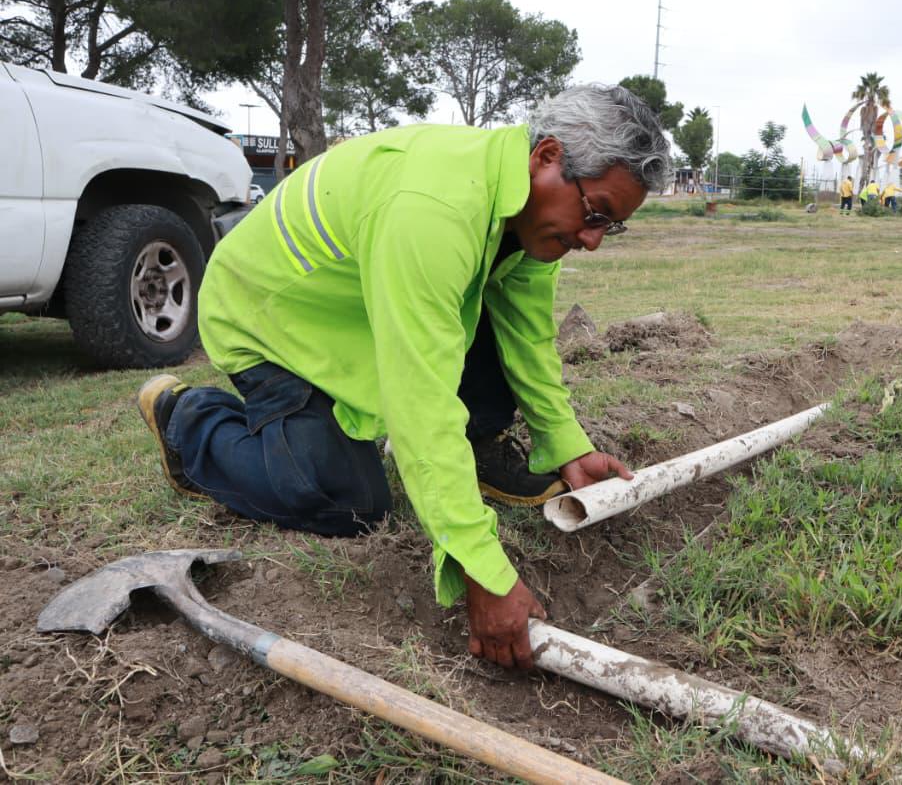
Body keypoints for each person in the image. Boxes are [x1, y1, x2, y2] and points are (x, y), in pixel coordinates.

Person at [136, 85, 672, 670]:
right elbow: (421, 393)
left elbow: (527, 337)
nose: (591, 240)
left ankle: (474, 449)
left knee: (489, 327)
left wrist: (567, 445)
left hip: (359, 308)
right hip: (272, 317)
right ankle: (190, 423)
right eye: (595, 214)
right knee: (346, 499)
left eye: (611, 227)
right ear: (546, 157)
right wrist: (481, 568)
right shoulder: (433, 209)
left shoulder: (528, 214)